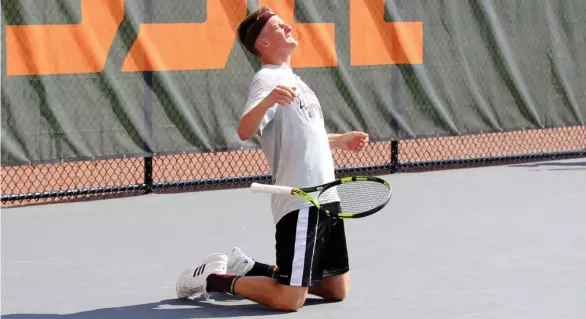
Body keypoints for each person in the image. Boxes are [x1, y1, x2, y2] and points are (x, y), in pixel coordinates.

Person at [175, 6, 369, 312]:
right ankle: (215, 278)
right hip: (302, 199)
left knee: (336, 289)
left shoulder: (295, 80)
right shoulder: (266, 79)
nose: (289, 27)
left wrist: (340, 140)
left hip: (327, 196)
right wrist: (266, 101)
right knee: (289, 300)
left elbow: (305, 135)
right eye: (279, 27)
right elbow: (244, 130)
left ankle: (250, 268)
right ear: (263, 44)